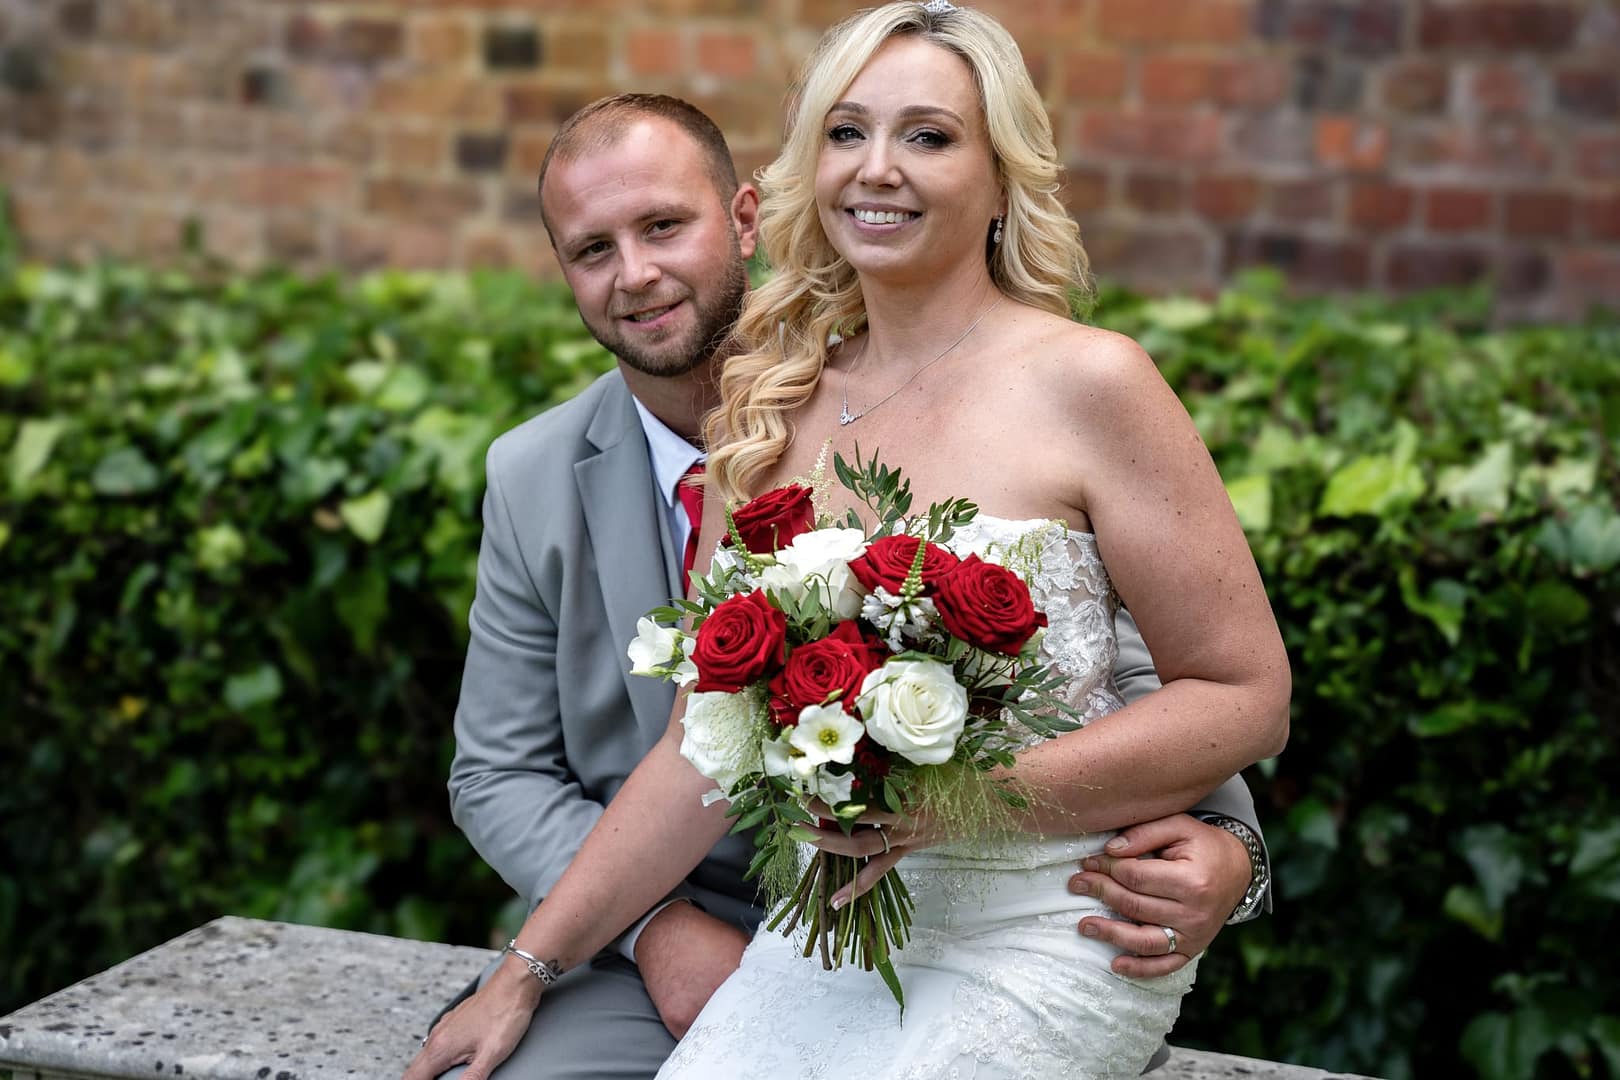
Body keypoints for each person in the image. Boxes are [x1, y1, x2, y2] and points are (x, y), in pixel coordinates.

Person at [416, 61, 1278, 1080]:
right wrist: (528, 967)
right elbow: (686, 753)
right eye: (847, 134)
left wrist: (1231, 848)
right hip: (804, 933)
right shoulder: (765, 415)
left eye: (928, 137)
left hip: (1048, 921)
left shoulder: (1091, 382)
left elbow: (1184, 680)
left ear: (1001, 177)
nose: (879, 168)